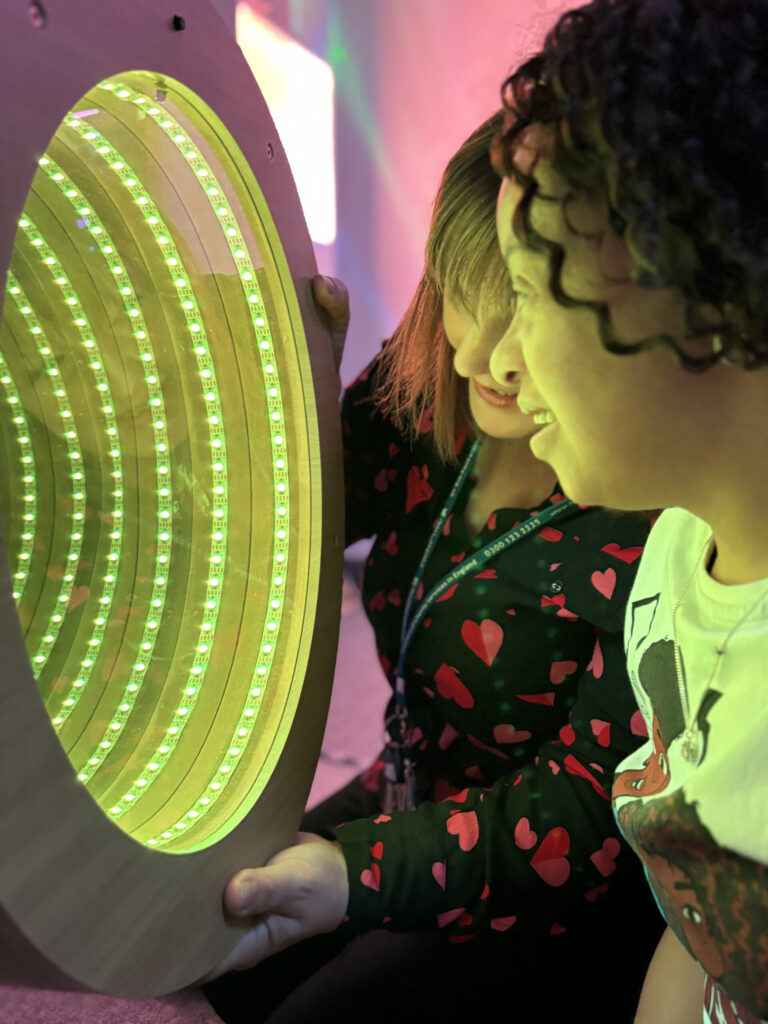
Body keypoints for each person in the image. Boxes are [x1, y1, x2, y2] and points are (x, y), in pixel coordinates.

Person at [203, 114, 662, 1022]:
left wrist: (353, 874)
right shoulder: (424, 390)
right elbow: (280, 520)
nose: (486, 355)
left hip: (552, 896)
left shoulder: (650, 522)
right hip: (410, 785)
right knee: (199, 943)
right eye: (464, 288)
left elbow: (576, 819)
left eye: (532, 306)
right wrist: (290, 385)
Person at [489, 3, 768, 1022]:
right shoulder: (680, 547)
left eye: (530, 287)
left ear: (715, 293)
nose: (503, 356)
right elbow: (703, 926)